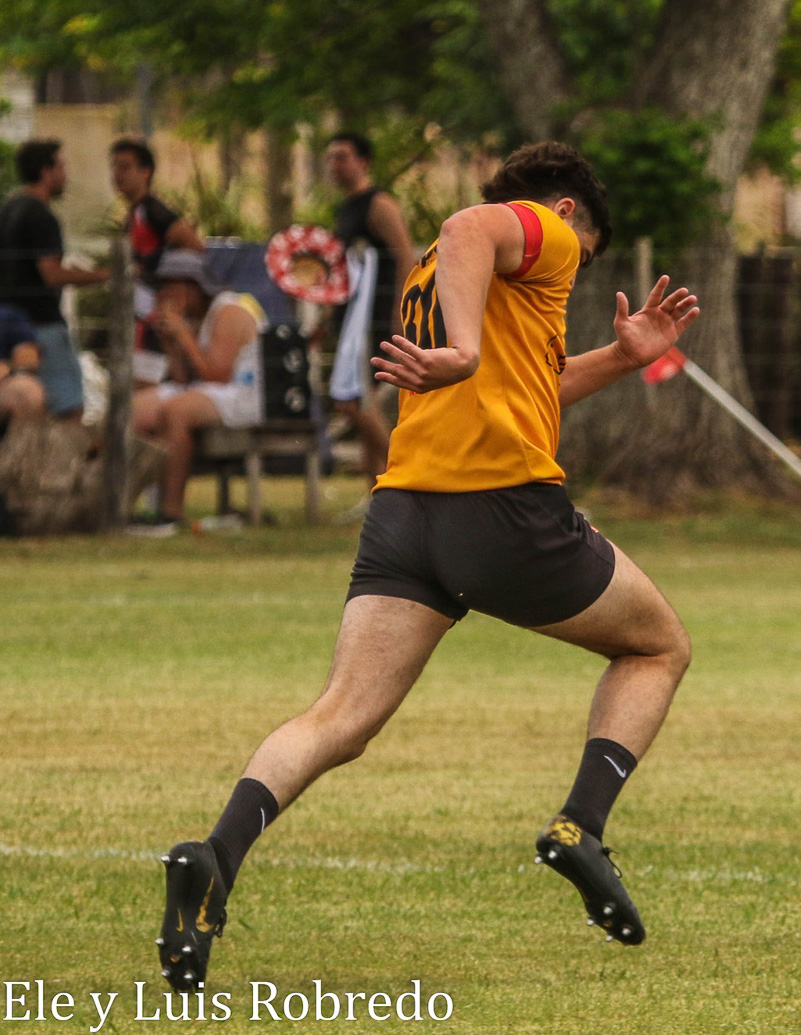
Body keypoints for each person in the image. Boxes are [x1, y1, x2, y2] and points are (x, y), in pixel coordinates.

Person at [155, 142, 700, 991]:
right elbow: (469, 223)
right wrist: (469, 352)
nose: (574, 273)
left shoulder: (438, 278)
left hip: (405, 516)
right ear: (565, 218)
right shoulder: (535, 233)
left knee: (339, 718)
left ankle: (212, 858)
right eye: (583, 258)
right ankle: (580, 826)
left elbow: (528, 390)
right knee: (659, 646)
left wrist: (624, 356)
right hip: (503, 510)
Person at [129, 251, 268, 535]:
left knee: (176, 411)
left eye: (171, 287)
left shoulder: (229, 311)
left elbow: (216, 375)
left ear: (192, 286)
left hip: (241, 394)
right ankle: (127, 504)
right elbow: (183, 378)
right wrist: (170, 340)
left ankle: (170, 510)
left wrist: (183, 334)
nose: (165, 294)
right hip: (208, 390)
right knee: (133, 410)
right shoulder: (195, 316)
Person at [324, 132, 414, 493]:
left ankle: (410, 474)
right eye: (330, 157)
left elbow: (406, 257)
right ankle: (378, 494)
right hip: (350, 320)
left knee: (354, 402)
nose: (334, 164)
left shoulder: (379, 203)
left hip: (376, 318)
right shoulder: (345, 208)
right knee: (362, 406)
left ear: (363, 162)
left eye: (342, 156)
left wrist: (401, 314)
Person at [0, 140, 110, 419]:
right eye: (61, 167)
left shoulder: (10, 209)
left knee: (29, 410)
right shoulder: (42, 215)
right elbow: (52, 273)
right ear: (45, 171)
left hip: (10, 323)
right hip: (43, 325)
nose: (65, 175)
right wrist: (106, 275)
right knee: (69, 407)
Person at [110, 137, 207, 385]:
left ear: (145, 172)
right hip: (139, 312)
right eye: (115, 167)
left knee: (150, 382)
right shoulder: (133, 214)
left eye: (125, 167)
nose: (117, 174)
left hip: (156, 315)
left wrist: (158, 270)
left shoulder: (154, 211)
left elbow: (194, 245)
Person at [0, 303, 45, 432]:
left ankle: (18, 450)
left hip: (4, 383)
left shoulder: (7, 316)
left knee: (27, 391)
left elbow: (29, 359)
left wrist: (7, 369)